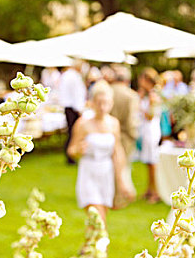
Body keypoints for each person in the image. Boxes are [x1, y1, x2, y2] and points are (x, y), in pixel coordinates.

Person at [67, 80, 131, 222]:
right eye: (99, 102)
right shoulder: (83, 123)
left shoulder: (114, 123)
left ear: (111, 103)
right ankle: (102, 244)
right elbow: (71, 150)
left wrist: (122, 181)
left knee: (100, 220)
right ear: (92, 102)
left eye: (106, 103)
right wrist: (78, 150)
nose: (102, 107)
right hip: (89, 172)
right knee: (97, 219)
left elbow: (117, 152)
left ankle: (95, 244)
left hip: (106, 173)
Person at [110, 65, 139, 208]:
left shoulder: (107, 91)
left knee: (110, 166)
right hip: (124, 136)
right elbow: (132, 120)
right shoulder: (131, 95)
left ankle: (108, 196)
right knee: (122, 167)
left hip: (107, 133)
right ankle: (118, 198)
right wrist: (134, 135)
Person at [138, 67, 162, 203]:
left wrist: (139, 107)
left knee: (152, 162)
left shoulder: (153, 96)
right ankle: (149, 189)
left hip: (151, 130)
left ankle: (155, 192)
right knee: (148, 162)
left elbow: (150, 115)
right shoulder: (147, 94)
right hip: (146, 129)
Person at [59, 59, 87, 164]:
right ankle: (70, 155)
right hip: (73, 108)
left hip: (68, 107)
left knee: (70, 131)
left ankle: (70, 154)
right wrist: (80, 110)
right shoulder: (74, 77)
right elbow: (77, 95)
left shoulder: (66, 75)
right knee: (73, 132)